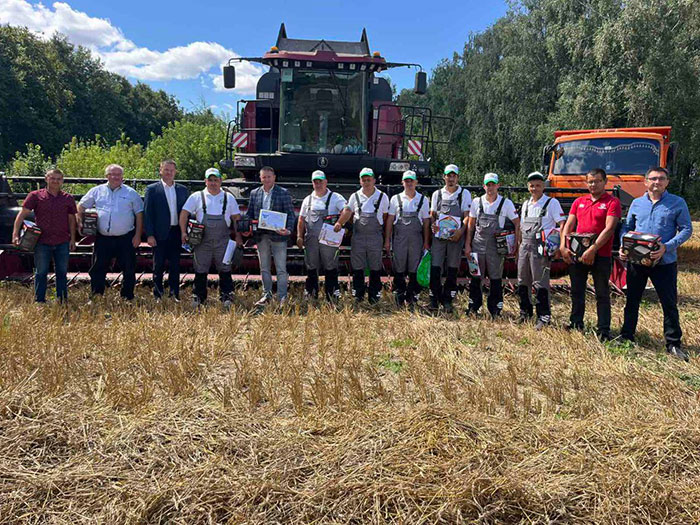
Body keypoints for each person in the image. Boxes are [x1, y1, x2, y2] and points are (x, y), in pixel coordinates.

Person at [619, 167, 693, 361]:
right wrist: (623, 245)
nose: (656, 182)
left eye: (661, 179)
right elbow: (627, 227)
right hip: (637, 261)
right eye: (652, 179)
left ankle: (673, 344)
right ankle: (627, 336)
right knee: (632, 300)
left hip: (664, 262)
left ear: (667, 182)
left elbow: (686, 229)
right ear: (645, 182)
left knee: (669, 303)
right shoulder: (637, 203)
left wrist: (666, 247)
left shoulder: (677, 202)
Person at [559, 168, 621, 340]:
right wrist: (563, 246)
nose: (594, 184)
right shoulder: (579, 201)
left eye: (597, 181)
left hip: (601, 255)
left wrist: (593, 249)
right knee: (577, 291)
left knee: (602, 293)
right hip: (577, 253)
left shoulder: (612, 202)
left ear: (605, 182)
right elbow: (568, 225)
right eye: (590, 181)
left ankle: (603, 330)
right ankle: (576, 323)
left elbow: (609, 228)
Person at [78, 164, 143, 301]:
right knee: (98, 268)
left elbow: (139, 214)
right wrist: (81, 222)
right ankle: (96, 296)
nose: (116, 177)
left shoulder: (131, 193)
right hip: (103, 238)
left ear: (122, 176)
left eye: (119, 174)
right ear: (107, 176)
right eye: (113, 174)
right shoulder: (96, 191)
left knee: (129, 269)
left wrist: (138, 235)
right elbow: (81, 206)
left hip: (125, 237)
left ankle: (127, 297)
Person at [179, 167, 243, 308]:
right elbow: (184, 214)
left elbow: (236, 219)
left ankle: (227, 296)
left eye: (216, 180)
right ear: (205, 181)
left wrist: (238, 236)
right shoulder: (196, 196)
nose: (213, 183)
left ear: (220, 181)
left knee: (225, 268)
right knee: (200, 268)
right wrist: (183, 232)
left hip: (223, 240)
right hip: (202, 240)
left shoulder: (228, 198)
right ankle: (198, 297)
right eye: (210, 180)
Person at [12, 168, 77, 303]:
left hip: (62, 240)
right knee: (41, 272)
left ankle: (62, 300)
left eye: (58, 179)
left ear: (62, 181)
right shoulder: (35, 196)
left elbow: (72, 220)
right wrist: (15, 234)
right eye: (52, 178)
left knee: (62, 273)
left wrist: (73, 238)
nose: (55, 181)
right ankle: (39, 300)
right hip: (42, 241)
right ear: (46, 179)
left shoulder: (68, 198)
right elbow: (22, 214)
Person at [464, 173, 520, 318]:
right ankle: (473, 307)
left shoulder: (506, 203)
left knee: (496, 278)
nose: (490, 188)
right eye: (488, 185)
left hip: (496, 247)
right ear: (484, 186)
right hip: (477, 245)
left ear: (498, 186)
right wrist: (468, 245)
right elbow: (471, 225)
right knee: (475, 276)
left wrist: (515, 244)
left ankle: (495, 310)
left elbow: (517, 223)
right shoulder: (476, 202)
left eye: (493, 184)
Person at [516, 171, 566, 329]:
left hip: (541, 248)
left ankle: (543, 316)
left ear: (543, 186)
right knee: (522, 280)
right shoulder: (525, 204)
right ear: (528, 187)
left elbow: (562, 225)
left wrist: (559, 246)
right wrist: (518, 247)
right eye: (532, 186)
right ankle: (525, 312)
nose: (534, 188)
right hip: (524, 246)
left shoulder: (551, 203)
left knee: (540, 282)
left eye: (538, 185)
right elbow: (521, 228)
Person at [336, 167, 389, 304]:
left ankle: (374, 296)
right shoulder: (355, 196)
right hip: (358, 236)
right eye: (364, 180)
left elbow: (385, 217)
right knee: (357, 266)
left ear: (374, 180)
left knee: (375, 266)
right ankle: (358, 295)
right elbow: (348, 211)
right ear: (360, 181)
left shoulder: (382, 197)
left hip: (375, 237)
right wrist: (339, 223)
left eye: (368, 179)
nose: (366, 182)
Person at [246, 166, 295, 306]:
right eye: (264, 177)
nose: (266, 179)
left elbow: (290, 215)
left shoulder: (283, 193)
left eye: (269, 177)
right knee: (264, 268)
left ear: (274, 177)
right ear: (260, 178)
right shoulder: (254, 193)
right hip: (261, 236)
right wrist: (247, 227)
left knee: (281, 268)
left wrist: (288, 230)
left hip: (279, 236)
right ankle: (266, 295)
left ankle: (282, 297)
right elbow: (250, 214)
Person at [296, 170, 347, 302]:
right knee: (311, 266)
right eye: (315, 182)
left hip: (329, 240)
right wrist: (299, 236)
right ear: (312, 183)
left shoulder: (336, 198)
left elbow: (346, 211)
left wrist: (340, 223)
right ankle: (311, 294)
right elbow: (301, 219)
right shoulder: (308, 200)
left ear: (326, 182)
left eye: (320, 181)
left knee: (330, 266)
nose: (318, 184)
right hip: (311, 240)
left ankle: (332, 295)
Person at [143, 159, 189, 301]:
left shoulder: (182, 190)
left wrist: (186, 232)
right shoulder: (152, 189)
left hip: (177, 232)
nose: (169, 173)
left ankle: (174, 294)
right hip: (159, 233)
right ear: (160, 171)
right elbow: (147, 214)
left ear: (175, 172)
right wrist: (150, 235)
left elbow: (187, 212)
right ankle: (158, 294)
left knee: (175, 266)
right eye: (166, 170)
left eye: (172, 170)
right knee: (158, 266)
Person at [429, 164, 472, 312]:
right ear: (444, 177)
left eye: (454, 176)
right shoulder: (437, 194)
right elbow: (433, 214)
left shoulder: (464, 194)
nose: (451, 179)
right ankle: (434, 299)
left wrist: (461, 231)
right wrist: (433, 224)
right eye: (448, 176)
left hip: (456, 237)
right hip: (439, 237)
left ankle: (448, 300)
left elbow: (467, 216)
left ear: (457, 178)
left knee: (452, 268)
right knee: (435, 267)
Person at [384, 170, 430, 307]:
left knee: (414, 267)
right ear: (402, 182)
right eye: (406, 181)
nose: (409, 183)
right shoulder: (395, 199)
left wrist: (426, 242)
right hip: (399, 238)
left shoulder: (423, 200)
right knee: (399, 266)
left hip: (416, 239)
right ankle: (399, 295)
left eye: (411, 181)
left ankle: (411, 297)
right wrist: (387, 240)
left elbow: (426, 222)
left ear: (416, 182)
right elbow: (390, 220)